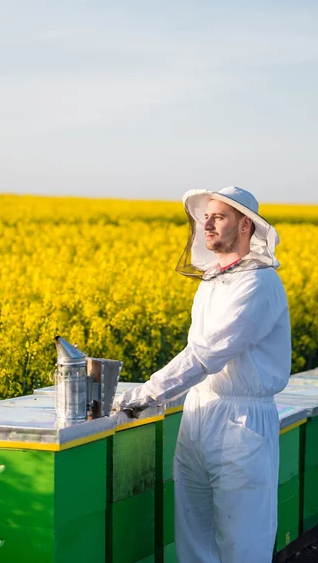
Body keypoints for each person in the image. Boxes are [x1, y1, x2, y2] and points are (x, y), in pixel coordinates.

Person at [112, 186, 291, 563]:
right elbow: (199, 357)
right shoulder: (213, 281)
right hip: (198, 415)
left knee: (242, 543)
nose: (206, 224)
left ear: (245, 226)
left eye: (218, 217)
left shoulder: (257, 284)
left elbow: (209, 352)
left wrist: (148, 393)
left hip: (240, 422)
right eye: (204, 217)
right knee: (194, 538)